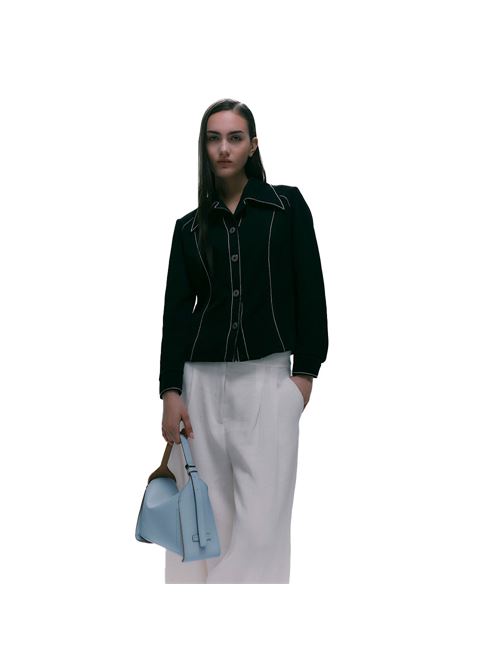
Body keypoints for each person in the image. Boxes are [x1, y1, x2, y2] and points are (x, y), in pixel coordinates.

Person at [159, 98, 328, 583]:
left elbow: (310, 290)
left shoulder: (287, 207)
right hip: (200, 385)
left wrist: (303, 377)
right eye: (214, 138)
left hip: (267, 382)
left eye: (235, 138)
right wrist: (171, 391)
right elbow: (176, 316)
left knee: (262, 527)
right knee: (206, 521)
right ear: (204, 147)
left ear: (253, 145)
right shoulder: (189, 229)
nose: (224, 148)